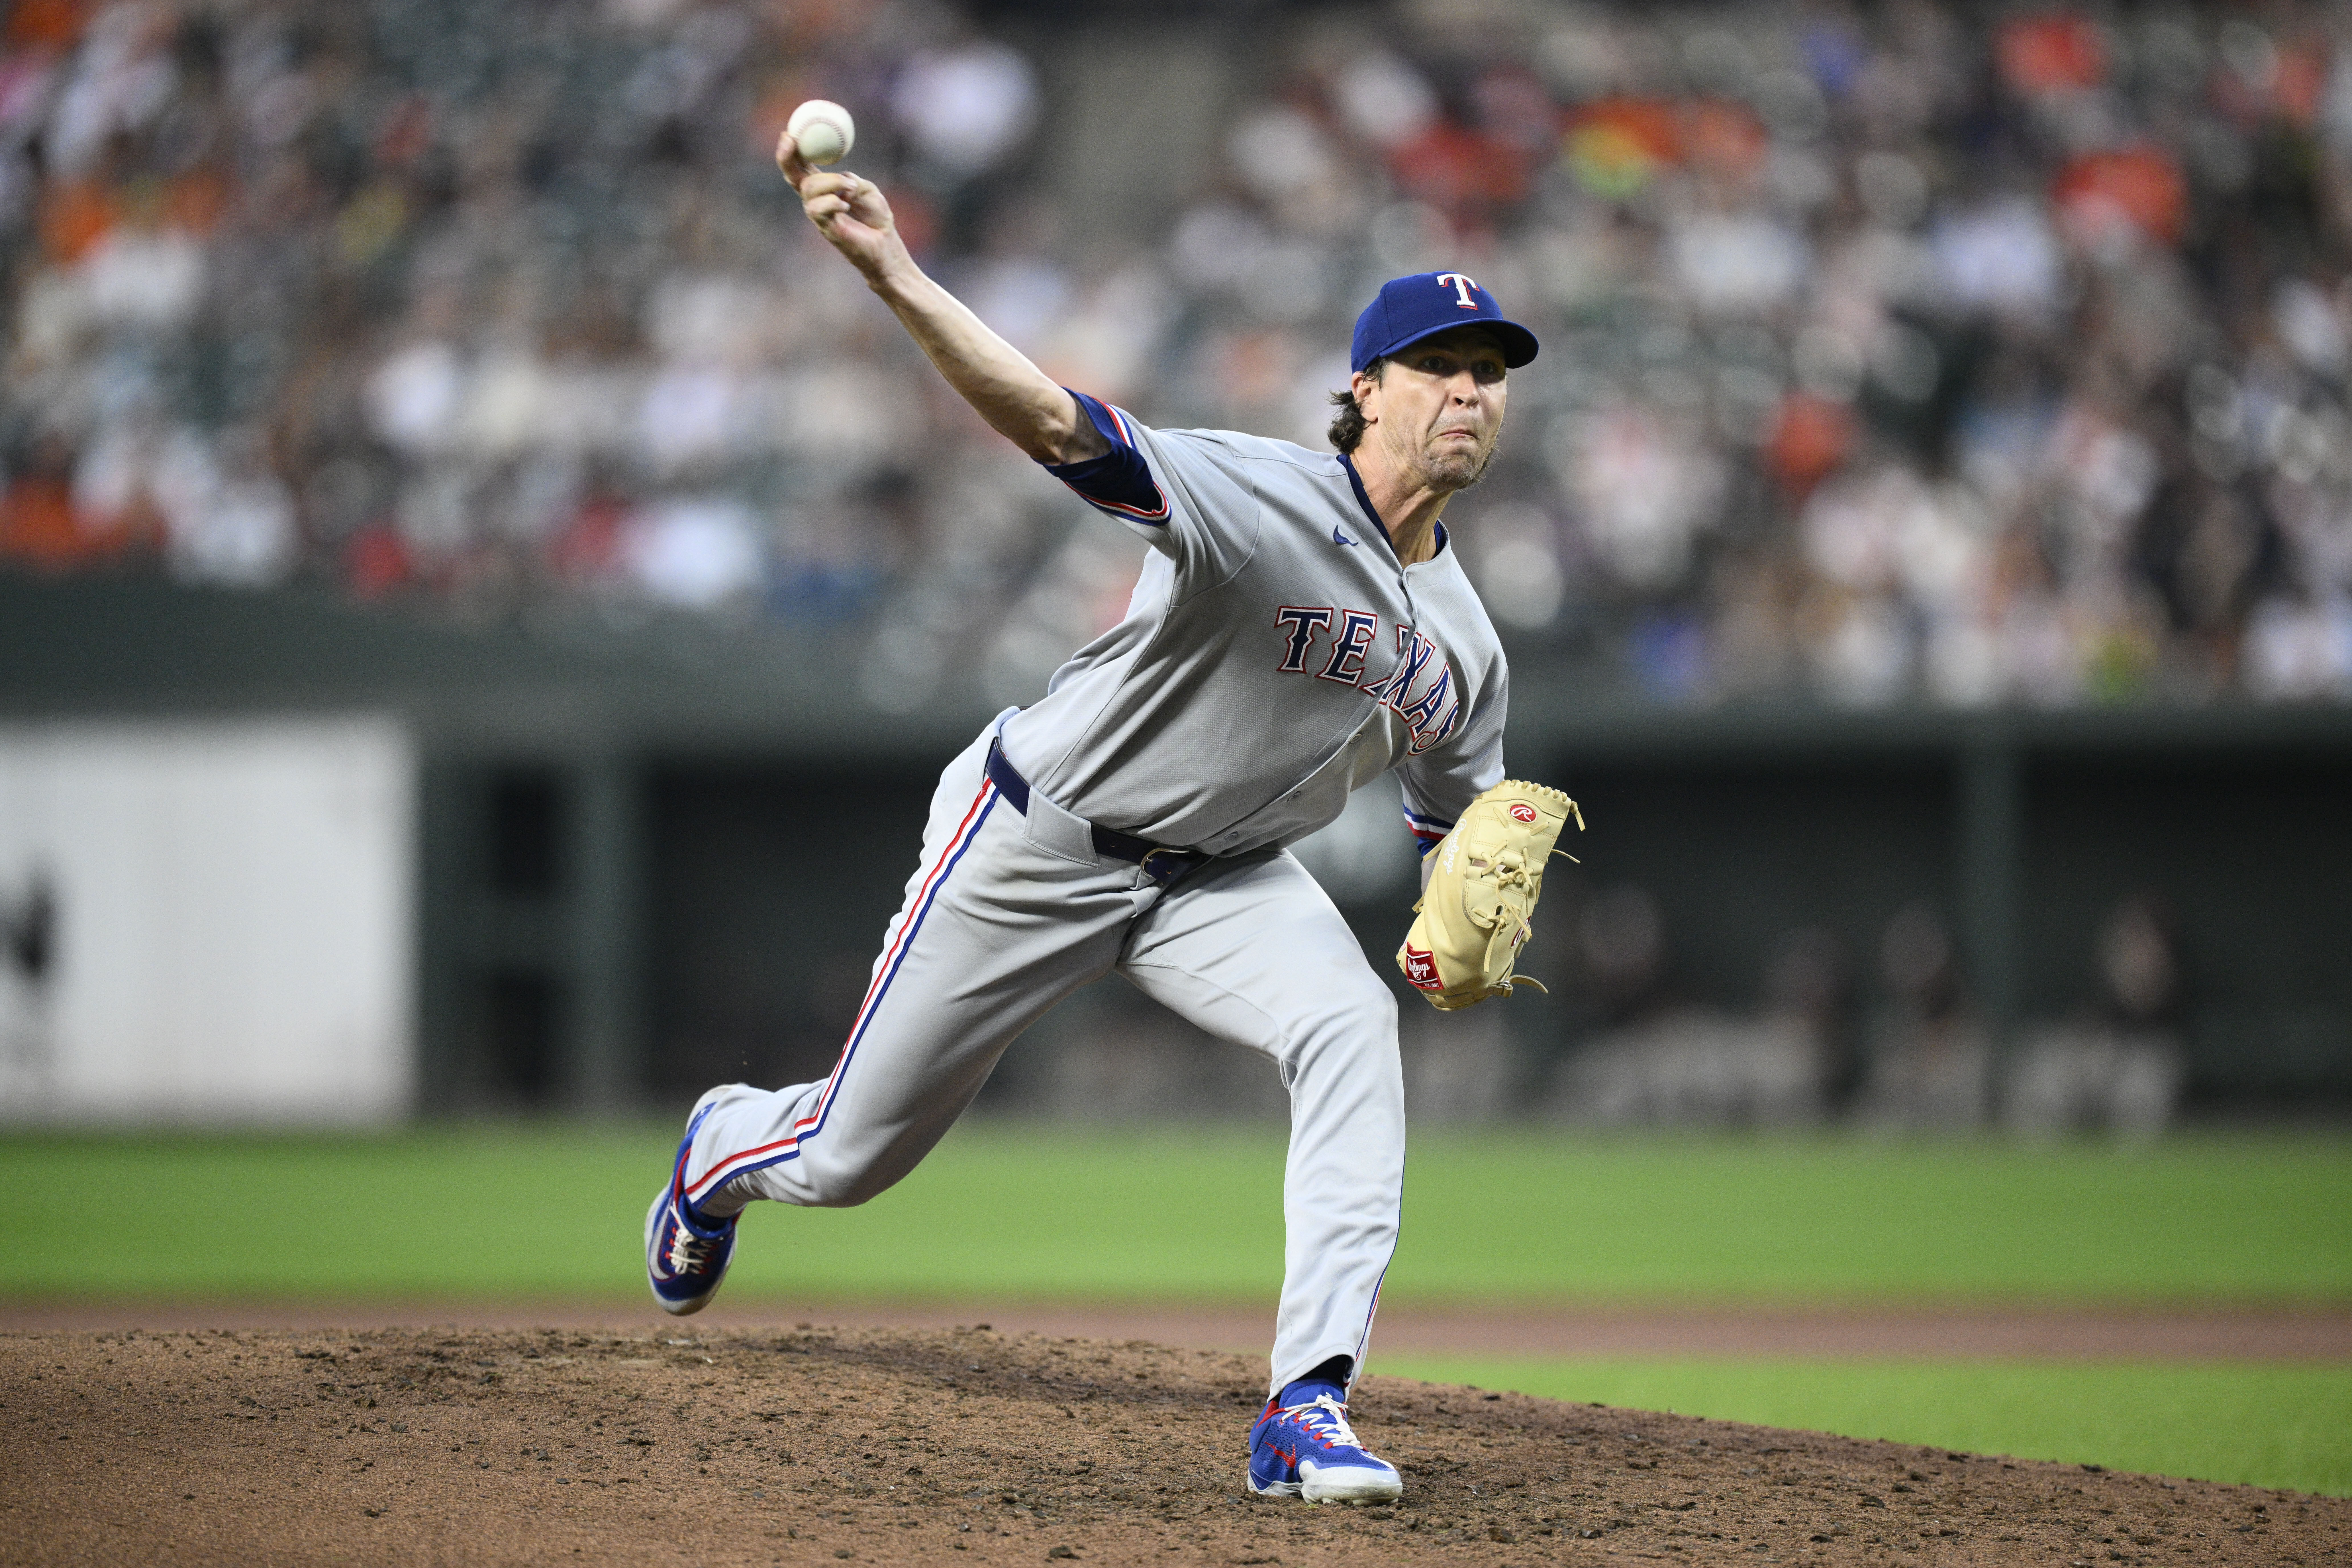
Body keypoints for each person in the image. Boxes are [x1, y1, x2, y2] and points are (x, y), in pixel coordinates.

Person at [643, 136, 1539, 1506]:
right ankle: (724, 1146)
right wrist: (894, 274)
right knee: (850, 1159)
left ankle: (1307, 1405)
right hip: (1039, 836)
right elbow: (1061, 424)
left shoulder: (1469, 643)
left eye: (1490, 374)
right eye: (1441, 367)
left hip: (1226, 878)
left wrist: (1457, 916)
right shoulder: (1263, 497)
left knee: (1352, 1024)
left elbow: (1454, 824)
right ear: (1365, 393)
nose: (1472, 393)